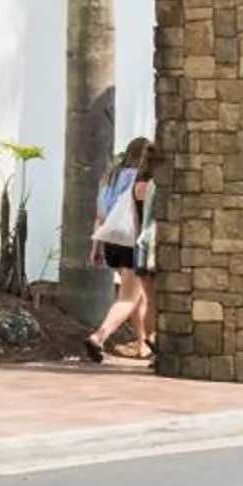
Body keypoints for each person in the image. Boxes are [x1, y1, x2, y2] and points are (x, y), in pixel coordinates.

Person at [84, 136, 156, 362]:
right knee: (128, 298)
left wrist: (96, 247)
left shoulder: (109, 177)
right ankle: (99, 337)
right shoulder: (141, 178)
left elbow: (100, 216)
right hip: (132, 241)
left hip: (112, 241)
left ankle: (143, 345)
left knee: (137, 296)